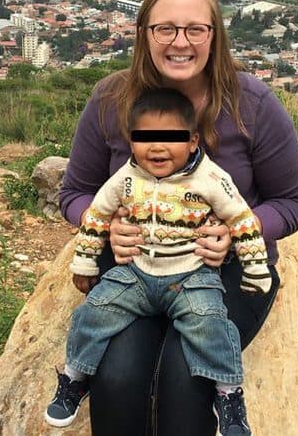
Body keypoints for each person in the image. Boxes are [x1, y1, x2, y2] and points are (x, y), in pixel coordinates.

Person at [59, 0, 298, 436]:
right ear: (145, 35)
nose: (181, 41)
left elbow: (294, 201)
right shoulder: (111, 100)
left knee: (187, 377)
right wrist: (105, 223)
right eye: (165, 29)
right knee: (115, 377)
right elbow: (73, 194)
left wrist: (238, 231)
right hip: (137, 268)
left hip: (226, 271)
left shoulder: (250, 104)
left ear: (215, 36)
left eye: (196, 29)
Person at [45, 87, 271, 435]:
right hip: (136, 271)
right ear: (131, 141)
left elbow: (242, 220)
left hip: (191, 273)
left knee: (209, 321)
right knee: (94, 312)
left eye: (171, 138)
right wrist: (86, 262)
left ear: (193, 141)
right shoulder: (126, 178)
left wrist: (254, 267)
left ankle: (227, 394)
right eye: (146, 137)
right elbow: (96, 215)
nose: (158, 147)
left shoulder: (211, 179)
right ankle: (75, 376)